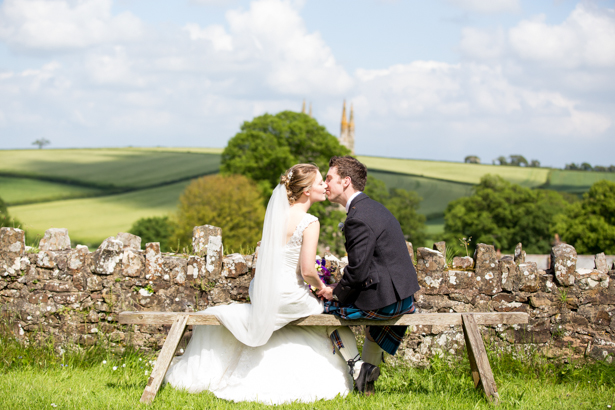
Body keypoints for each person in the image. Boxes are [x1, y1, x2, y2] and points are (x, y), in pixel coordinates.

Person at [164, 164, 366, 404]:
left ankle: (356, 366)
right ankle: (357, 366)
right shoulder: (310, 221)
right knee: (331, 314)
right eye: (320, 182)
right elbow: (307, 270)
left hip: (265, 295)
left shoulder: (276, 217)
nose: (324, 186)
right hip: (289, 297)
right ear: (306, 191)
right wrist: (322, 288)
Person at [318, 156, 420, 395]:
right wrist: (341, 285)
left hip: (387, 301)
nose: (325, 183)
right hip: (403, 297)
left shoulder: (357, 218)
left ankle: (357, 367)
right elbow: (369, 266)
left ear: (346, 181)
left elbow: (358, 272)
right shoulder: (372, 207)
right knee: (367, 325)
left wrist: (335, 292)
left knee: (321, 310)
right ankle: (366, 386)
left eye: (329, 178)